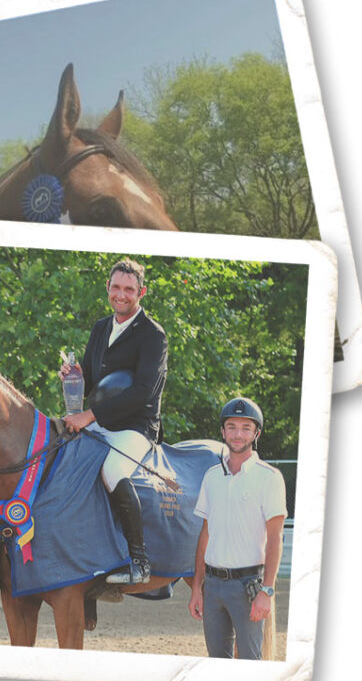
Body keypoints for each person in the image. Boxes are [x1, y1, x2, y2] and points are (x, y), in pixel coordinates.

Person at [58, 257, 167, 584]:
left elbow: (143, 392)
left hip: (137, 426)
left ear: (141, 292)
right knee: (59, 458)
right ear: (108, 288)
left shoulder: (153, 335)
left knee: (111, 470)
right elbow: (91, 380)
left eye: (129, 289)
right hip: (99, 421)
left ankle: (139, 560)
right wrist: (73, 378)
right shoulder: (100, 327)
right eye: (116, 287)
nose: (121, 294)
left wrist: (88, 416)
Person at [188, 398, 287, 660]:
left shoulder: (269, 478)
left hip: (248, 587)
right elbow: (205, 534)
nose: (238, 433)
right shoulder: (211, 477)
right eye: (231, 426)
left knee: (250, 665)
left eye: (245, 427)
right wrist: (197, 588)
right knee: (217, 664)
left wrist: (266, 591)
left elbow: (276, 538)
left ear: (256, 433)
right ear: (223, 432)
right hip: (213, 587)